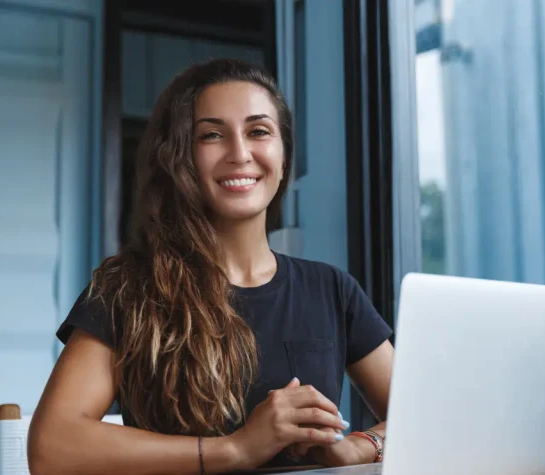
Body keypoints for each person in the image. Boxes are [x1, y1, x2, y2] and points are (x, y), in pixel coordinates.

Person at [27, 58, 394, 475]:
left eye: (258, 131)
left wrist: (359, 447)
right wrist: (236, 449)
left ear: (284, 153)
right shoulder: (128, 289)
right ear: (180, 156)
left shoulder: (332, 289)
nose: (240, 153)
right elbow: (52, 448)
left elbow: (422, 412)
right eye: (212, 135)